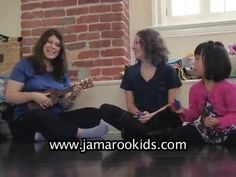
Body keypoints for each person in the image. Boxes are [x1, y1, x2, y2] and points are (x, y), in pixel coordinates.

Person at [5, 28, 108, 141]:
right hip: (27, 117)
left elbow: (65, 105)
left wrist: (73, 96)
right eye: (49, 42)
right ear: (42, 44)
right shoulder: (25, 64)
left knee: (93, 114)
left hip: (55, 117)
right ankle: (80, 133)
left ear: (60, 50)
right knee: (40, 115)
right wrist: (33, 96)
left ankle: (45, 135)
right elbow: (10, 97)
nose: (53, 47)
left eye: (57, 45)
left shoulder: (61, 71)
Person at [100, 28, 182, 140]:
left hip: (160, 119)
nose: (133, 47)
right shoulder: (130, 72)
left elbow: (173, 104)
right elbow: (130, 105)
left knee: (175, 112)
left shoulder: (168, 70)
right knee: (105, 109)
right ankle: (150, 136)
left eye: (137, 43)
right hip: (139, 119)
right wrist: (141, 115)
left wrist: (152, 115)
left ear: (149, 44)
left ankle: (139, 135)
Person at [170, 41, 236, 144]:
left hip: (227, 130)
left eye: (197, 59)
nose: (193, 63)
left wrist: (219, 121)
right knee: (180, 133)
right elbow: (194, 113)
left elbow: (234, 114)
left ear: (212, 62)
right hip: (205, 130)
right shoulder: (195, 89)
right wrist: (181, 110)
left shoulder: (229, 88)